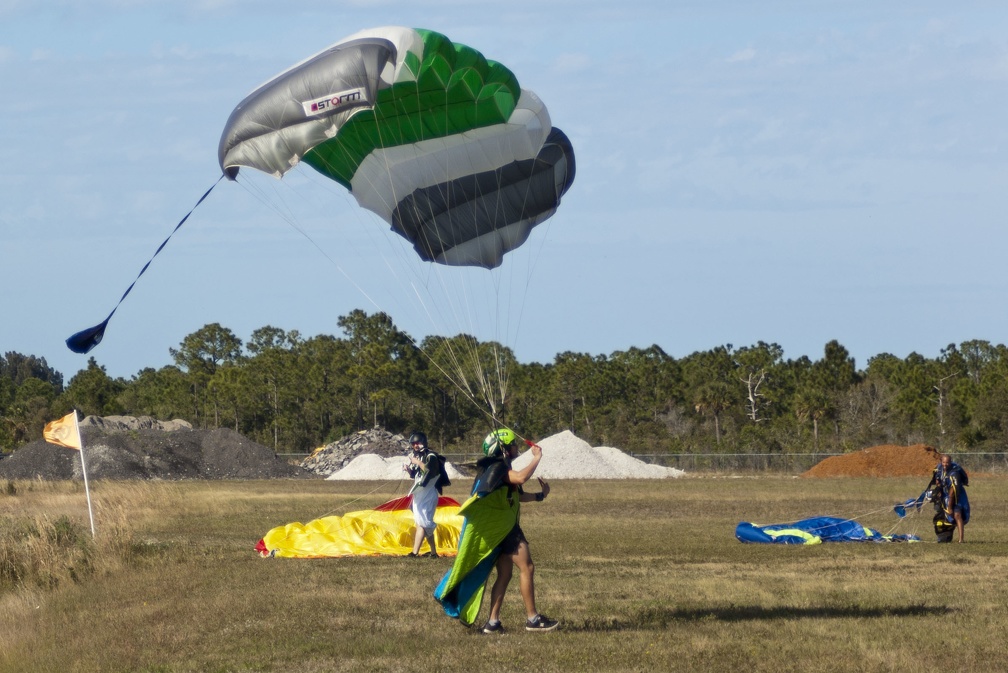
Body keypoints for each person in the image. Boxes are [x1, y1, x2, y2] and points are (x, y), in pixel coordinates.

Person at [434, 428, 558, 633]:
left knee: (505, 574)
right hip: (506, 529)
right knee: (527, 568)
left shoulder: (494, 470)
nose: (517, 448)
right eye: (513, 445)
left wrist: (540, 496)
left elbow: (516, 494)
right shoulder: (498, 468)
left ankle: (492, 623)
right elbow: (519, 478)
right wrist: (537, 458)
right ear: (504, 448)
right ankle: (533, 619)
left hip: (498, 530)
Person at [403, 431, 447, 558]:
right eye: (413, 444)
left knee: (423, 523)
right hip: (419, 494)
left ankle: (414, 552)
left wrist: (417, 462)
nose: (415, 446)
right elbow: (417, 475)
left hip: (428, 494)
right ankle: (433, 553)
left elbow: (430, 471)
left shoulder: (431, 456)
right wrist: (409, 470)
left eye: (417, 443)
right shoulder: (419, 456)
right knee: (422, 523)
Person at [924, 453, 970, 543]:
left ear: (950, 462)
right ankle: (944, 536)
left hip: (957, 495)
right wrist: (938, 489)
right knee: (943, 514)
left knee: (957, 514)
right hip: (945, 493)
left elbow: (952, 493)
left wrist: (949, 507)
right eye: (944, 462)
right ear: (941, 462)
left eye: (947, 463)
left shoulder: (954, 473)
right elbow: (937, 479)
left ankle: (961, 539)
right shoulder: (939, 469)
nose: (945, 464)